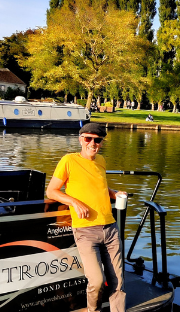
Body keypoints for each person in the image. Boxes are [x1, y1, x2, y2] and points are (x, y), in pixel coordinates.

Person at [46, 123, 126, 312]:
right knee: (97, 281)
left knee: (118, 281)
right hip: (85, 230)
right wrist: (74, 202)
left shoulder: (101, 161)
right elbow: (52, 191)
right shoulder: (68, 160)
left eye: (97, 140)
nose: (93, 143)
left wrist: (114, 193)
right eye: (88, 139)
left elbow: (99, 187)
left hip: (110, 228)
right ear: (81, 139)